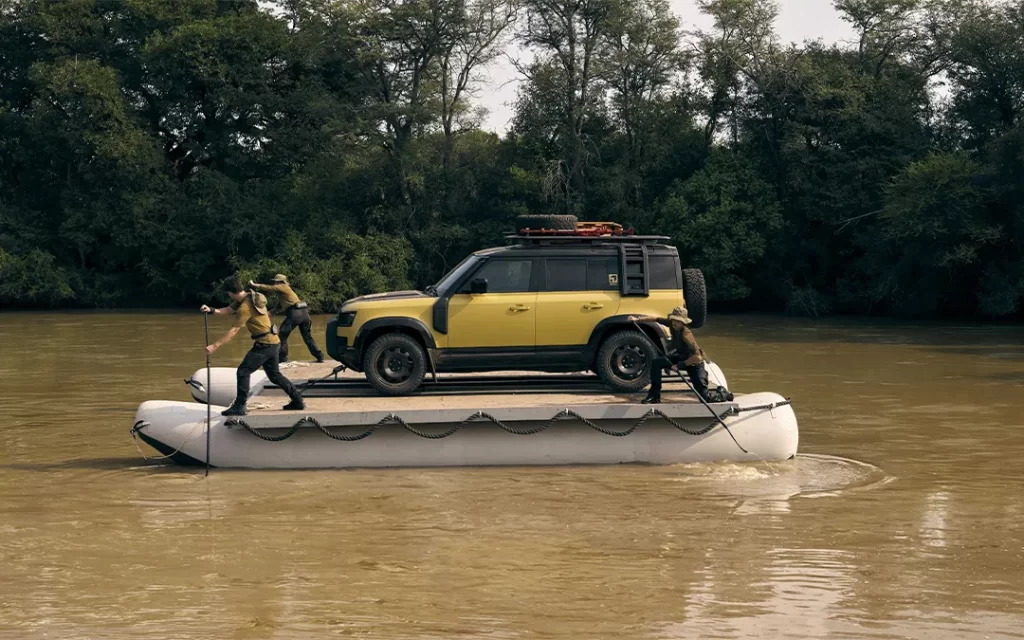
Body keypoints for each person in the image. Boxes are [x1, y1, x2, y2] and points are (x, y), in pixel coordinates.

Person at [201, 277, 305, 416]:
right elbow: (227, 310)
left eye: (228, 294)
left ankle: (239, 406)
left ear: (231, 293)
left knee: (243, 371)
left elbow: (233, 331)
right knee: (274, 375)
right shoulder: (250, 296)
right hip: (274, 341)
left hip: (265, 344)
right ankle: (297, 400)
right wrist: (211, 310)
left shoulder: (244, 307)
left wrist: (215, 345)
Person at [628, 306, 712, 405]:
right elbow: (655, 318)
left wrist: (679, 365)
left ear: (683, 322)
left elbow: (698, 357)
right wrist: (637, 319)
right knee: (656, 363)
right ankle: (654, 396)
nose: (675, 323)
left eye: (679, 321)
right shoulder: (671, 324)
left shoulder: (686, 335)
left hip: (693, 363)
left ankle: (724, 394)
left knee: (705, 397)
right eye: (674, 320)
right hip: (680, 357)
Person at [249, 274, 324, 364]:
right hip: (304, 313)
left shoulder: (283, 286)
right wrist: (269, 313)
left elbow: (269, 288)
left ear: (280, 282)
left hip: (295, 314)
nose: (274, 283)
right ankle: (320, 356)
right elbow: (279, 306)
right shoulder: (285, 293)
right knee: (307, 337)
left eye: (275, 281)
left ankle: (282, 358)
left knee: (282, 336)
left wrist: (254, 285)